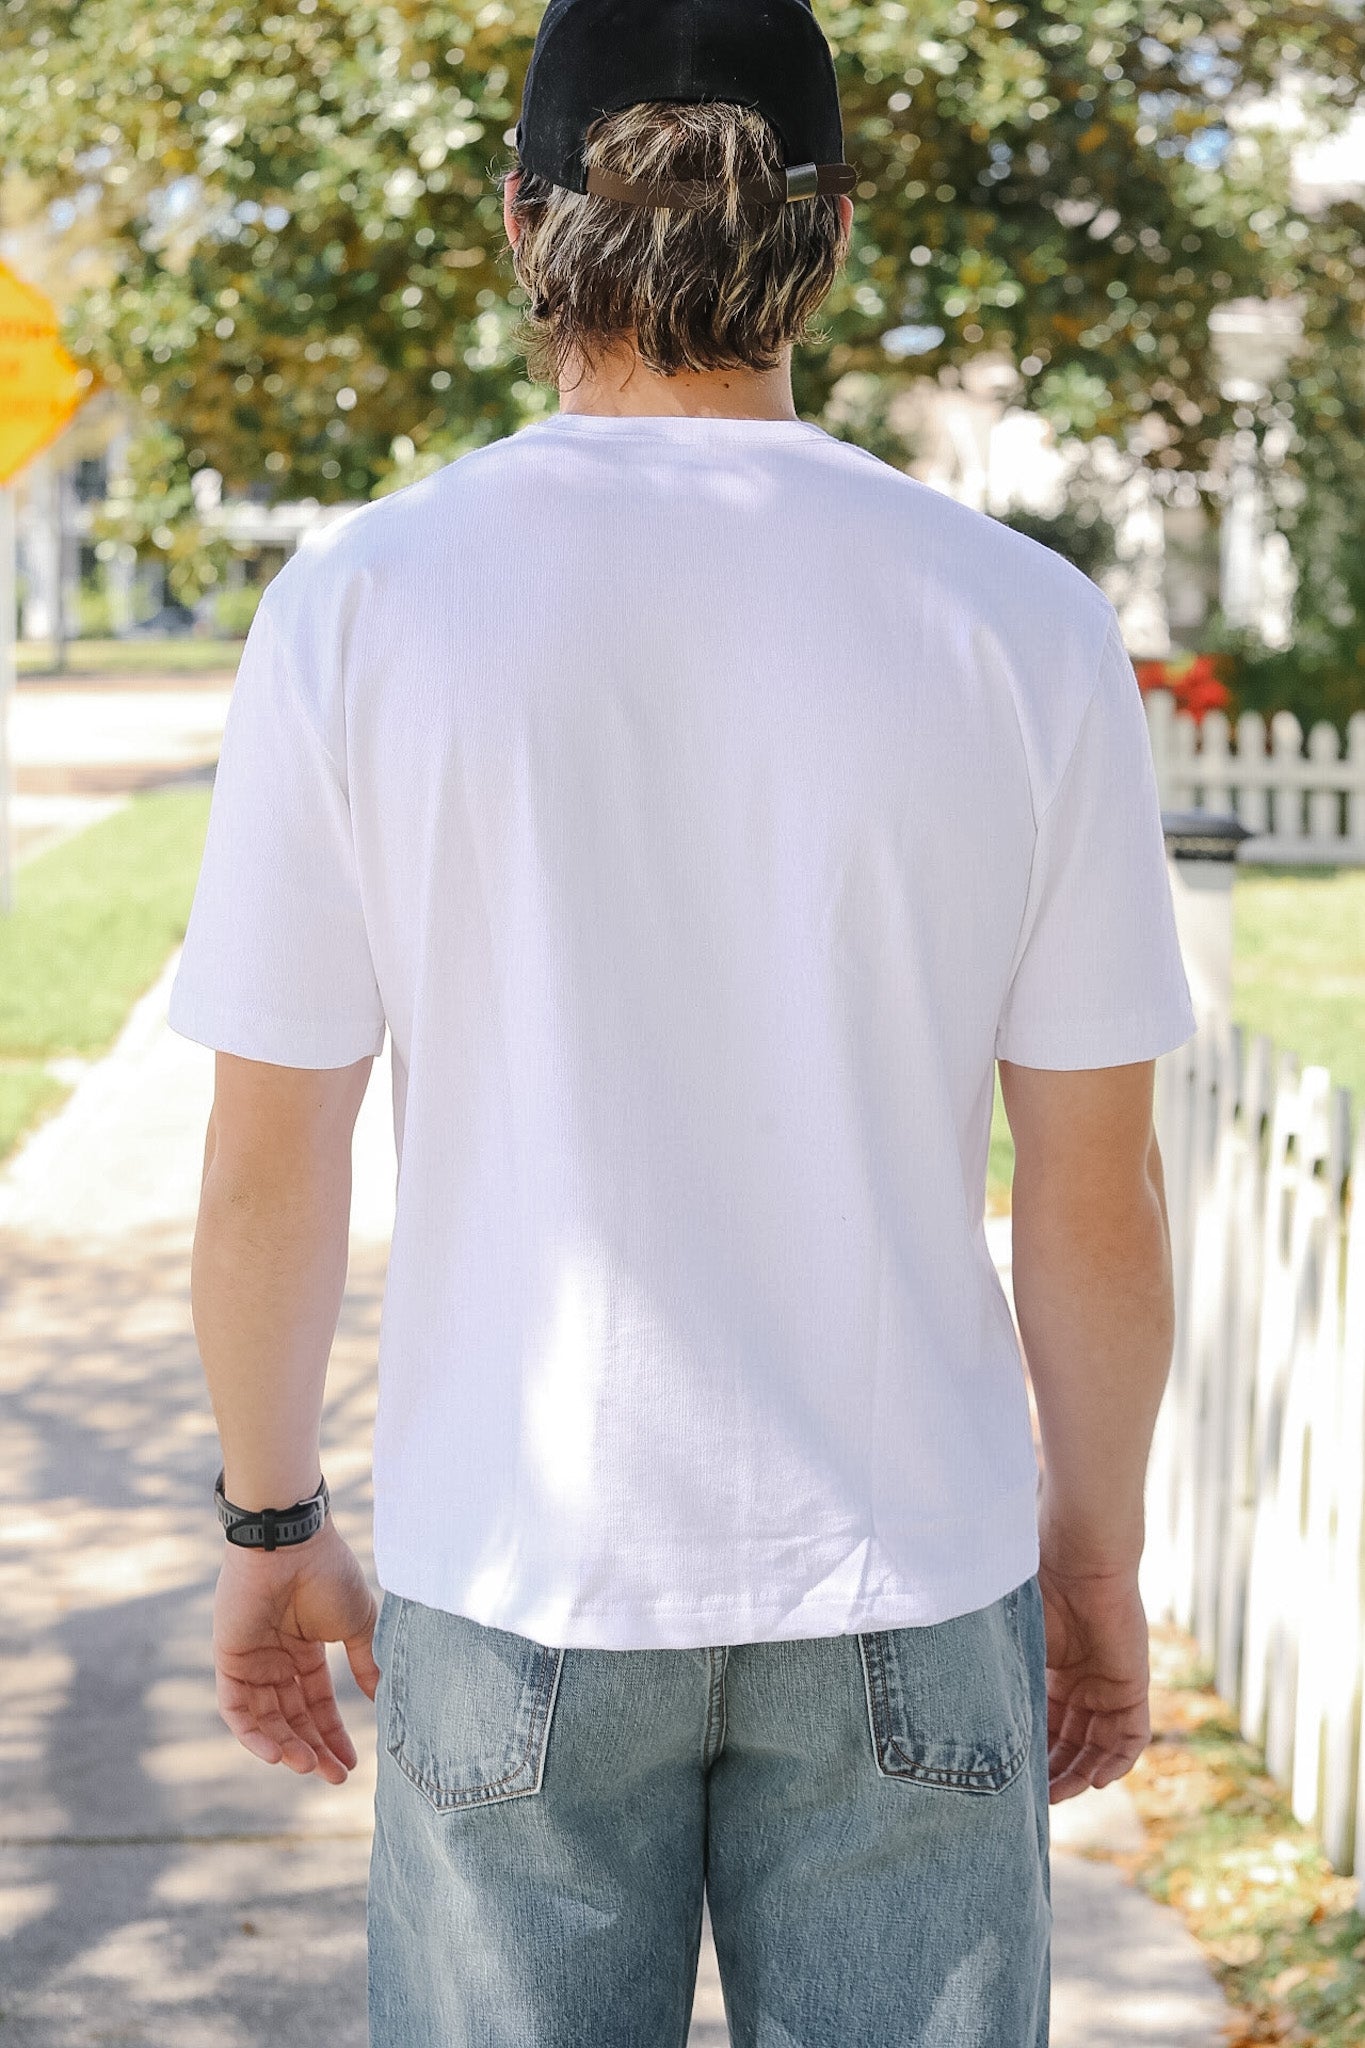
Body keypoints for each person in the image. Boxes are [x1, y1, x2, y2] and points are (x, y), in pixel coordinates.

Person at [169, 1, 1197, 2041]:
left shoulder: (367, 604)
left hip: (519, 1572)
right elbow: (1092, 1188)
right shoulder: (1015, 622)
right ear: (822, 239)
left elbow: (268, 1150)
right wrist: (1087, 1559)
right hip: (905, 1572)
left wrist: (270, 1516)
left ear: (519, 220)